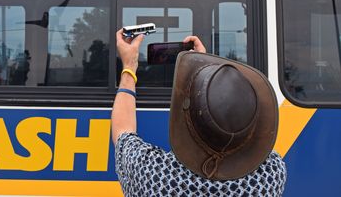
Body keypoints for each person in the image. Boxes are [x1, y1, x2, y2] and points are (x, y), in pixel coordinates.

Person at [112, 29, 287, 196]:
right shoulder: (270, 176)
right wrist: (205, 68)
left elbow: (122, 132)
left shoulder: (156, 176)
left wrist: (129, 67)